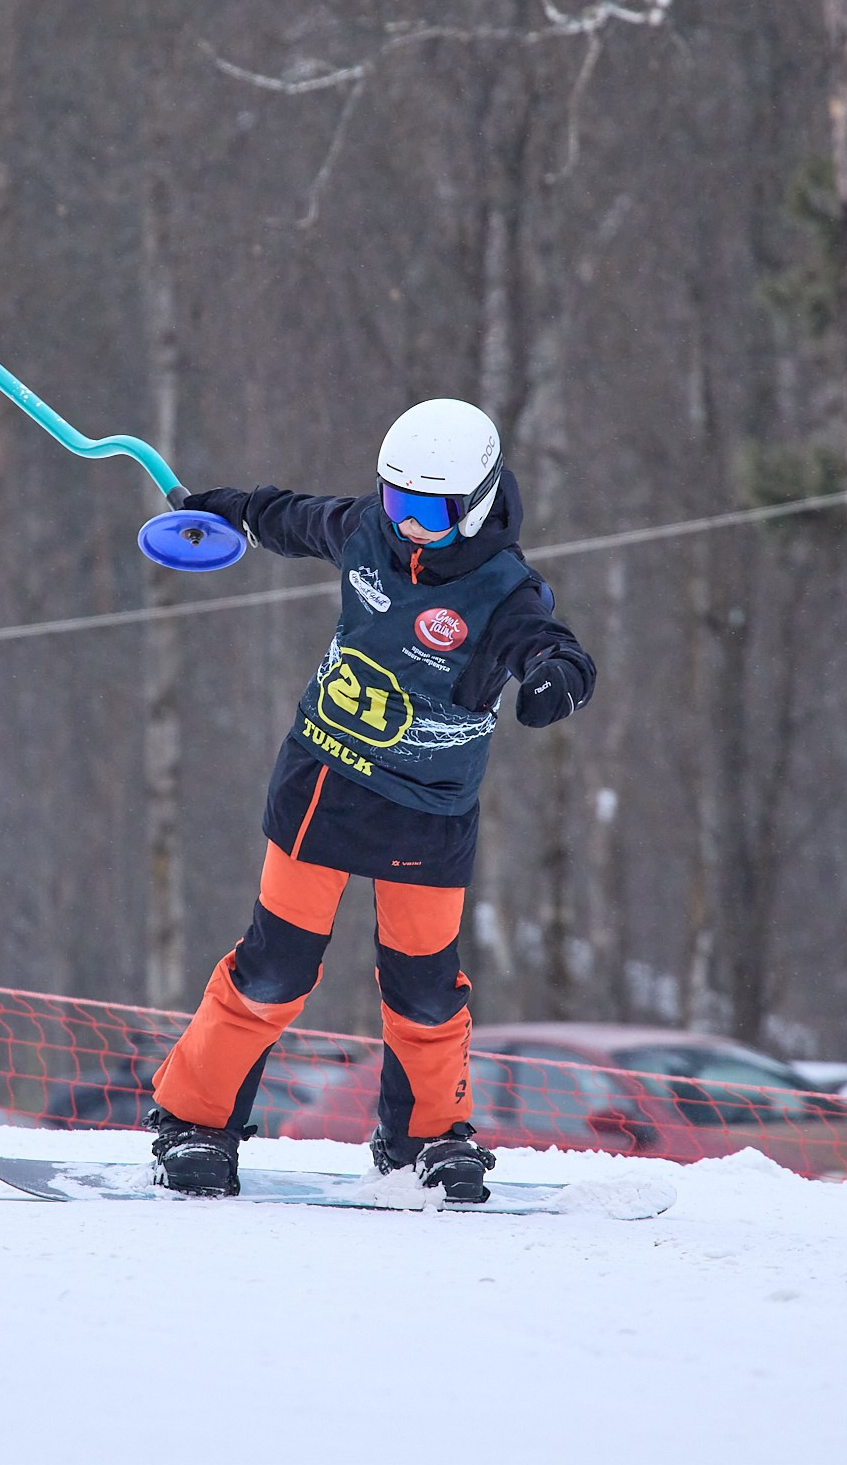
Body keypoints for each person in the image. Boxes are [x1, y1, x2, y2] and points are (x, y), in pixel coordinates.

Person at [144, 398, 596, 1201]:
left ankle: (425, 1140)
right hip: (324, 785)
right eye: (397, 500)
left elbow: (550, 645)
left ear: (477, 502)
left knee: (425, 989)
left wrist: (556, 678)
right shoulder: (368, 531)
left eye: (431, 511)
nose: (409, 524)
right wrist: (228, 511)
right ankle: (194, 1124)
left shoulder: (504, 591)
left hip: (428, 812)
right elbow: (287, 517)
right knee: (274, 969)